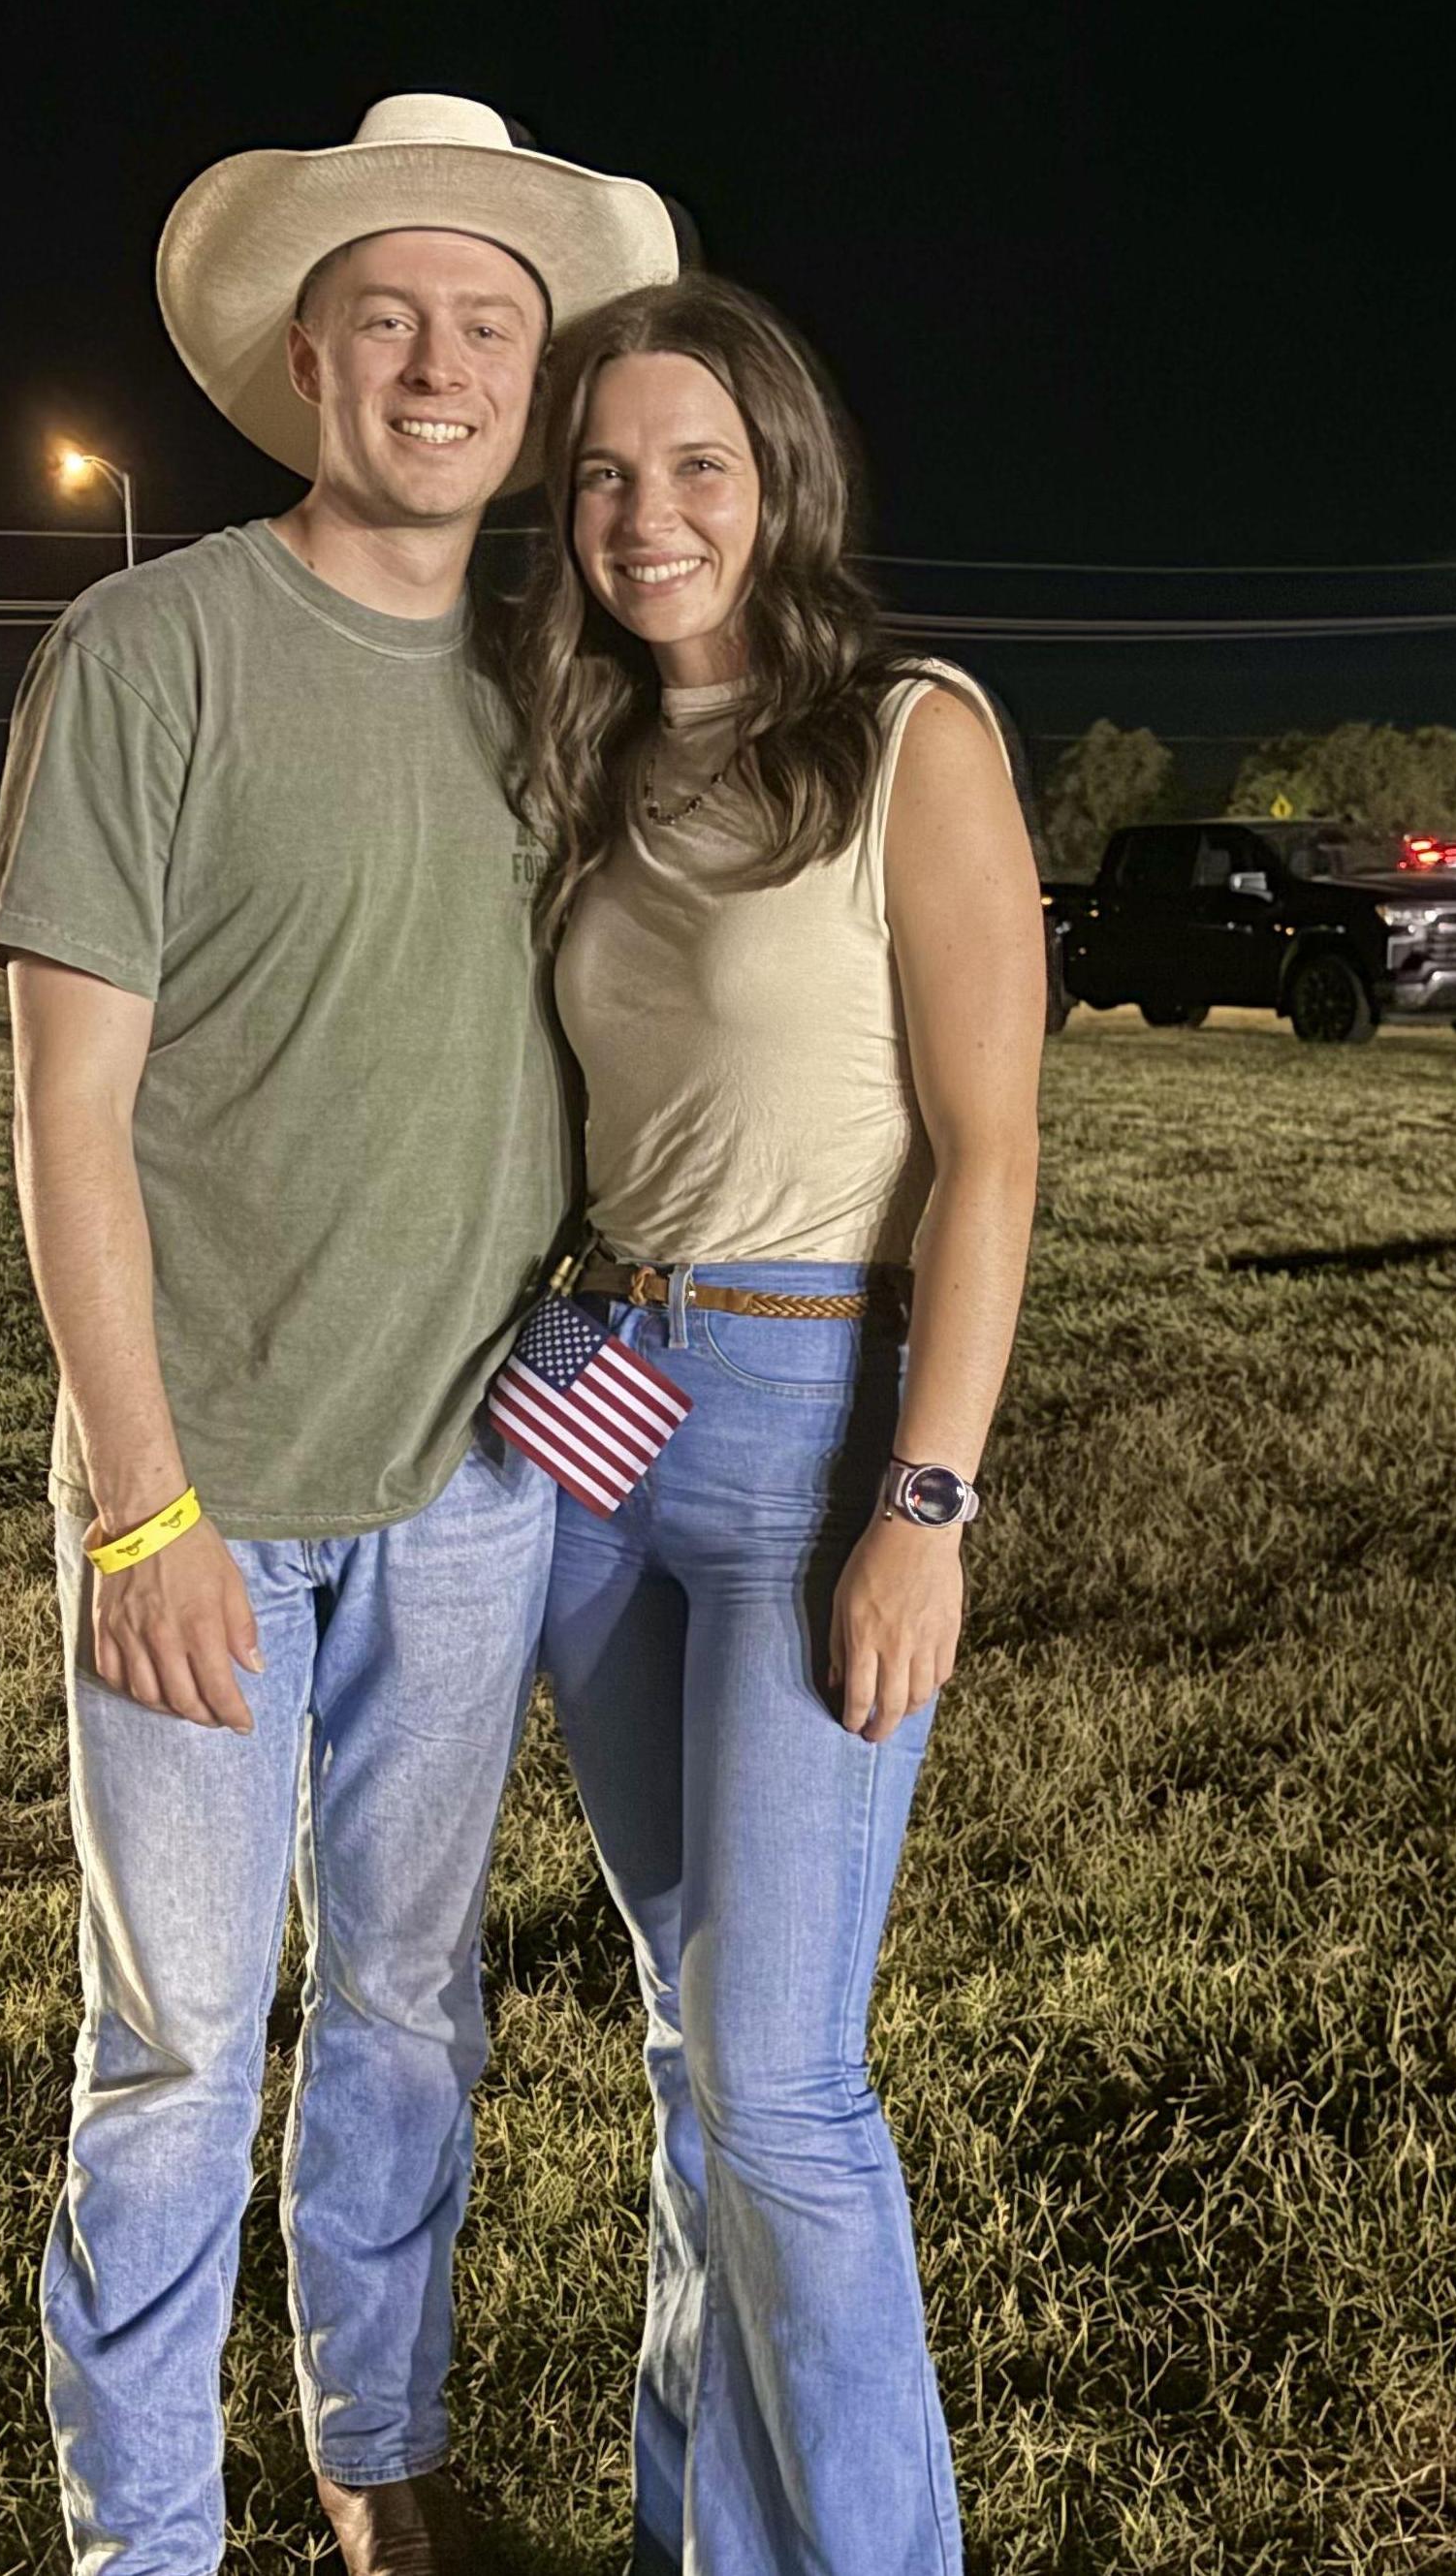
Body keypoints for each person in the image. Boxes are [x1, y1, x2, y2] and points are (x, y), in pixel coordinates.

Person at [0, 96, 676, 2576]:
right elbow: (69, 1121)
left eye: (489, 323)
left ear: (534, 373)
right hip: (209, 1491)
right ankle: (142, 2535)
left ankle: (378, 2463)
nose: (439, 361)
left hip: (477, 1490)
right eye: (388, 314)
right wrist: (139, 1493)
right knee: (171, 2042)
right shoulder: (144, 648)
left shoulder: (567, 680)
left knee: (405, 2007)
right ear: (304, 357)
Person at [507, 274, 1044, 2573]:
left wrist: (922, 1500)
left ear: (778, 477)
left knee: (783, 2077)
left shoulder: (910, 731)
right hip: (591, 1412)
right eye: (607, 474)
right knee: (680, 2040)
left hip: (813, 1410)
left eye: (694, 465)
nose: (649, 514)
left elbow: (993, 1151)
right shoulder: (593, 762)